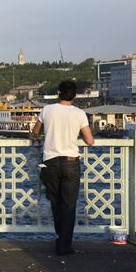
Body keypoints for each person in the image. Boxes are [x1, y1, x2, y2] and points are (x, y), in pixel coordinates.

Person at [31, 80, 94, 255]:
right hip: (70, 162)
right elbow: (89, 140)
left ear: (58, 93)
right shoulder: (79, 113)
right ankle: (64, 244)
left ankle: (61, 237)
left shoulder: (47, 110)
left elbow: (35, 132)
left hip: (49, 161)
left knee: (55, 202)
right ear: (74, 96)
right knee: (69, 204)